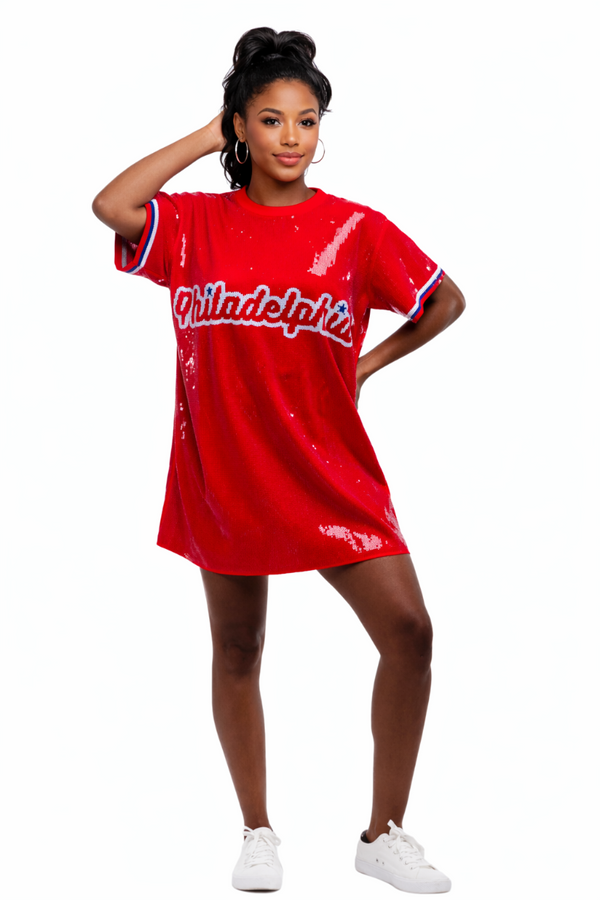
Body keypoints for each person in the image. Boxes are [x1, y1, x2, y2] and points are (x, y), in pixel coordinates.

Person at [92, 26, 465, 895]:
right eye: (269, 119)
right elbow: (112, 205)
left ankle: (383, 834)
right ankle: (257, 831)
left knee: (410, 633)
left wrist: (365, 365)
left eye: (306, 119)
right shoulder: (194, 225)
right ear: (242, 127)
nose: (291, 137)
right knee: (238, 648)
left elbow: (445, 299)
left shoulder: (356, 229)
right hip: (226, 470)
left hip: (328, 470)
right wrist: (206, 134)